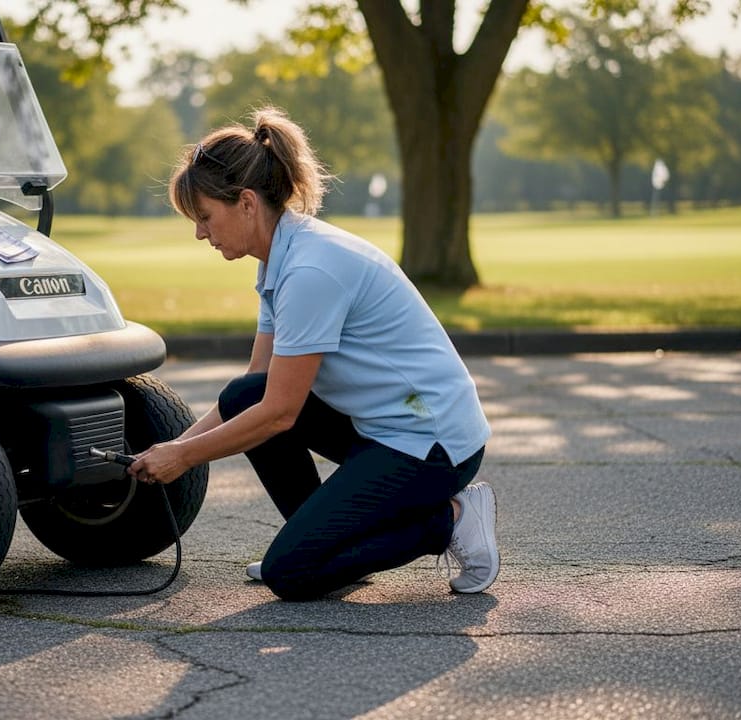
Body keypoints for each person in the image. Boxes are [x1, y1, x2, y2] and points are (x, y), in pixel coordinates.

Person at [127, 106, 497, 600]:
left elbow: (279, 415)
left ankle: (453, 519)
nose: (200, 233)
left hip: (433, 445)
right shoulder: (280, 260)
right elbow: (255, 389)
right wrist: (172, 452)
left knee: (291, 574)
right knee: (243, 395)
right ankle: (330, 546)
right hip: (381, 429)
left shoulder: (310, 271)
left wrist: (183, 456)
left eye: (205, 217)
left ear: (246, 203)